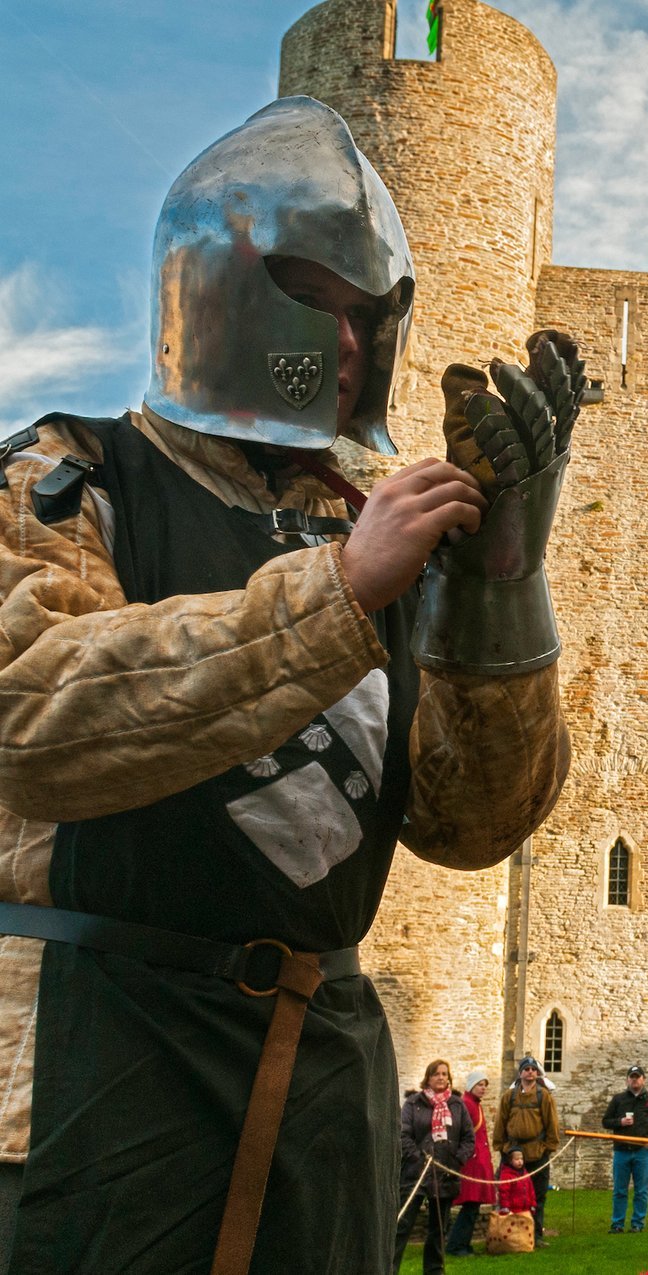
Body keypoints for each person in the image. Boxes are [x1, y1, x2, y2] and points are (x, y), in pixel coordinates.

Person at [0, 98, 571, 1275]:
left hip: (321, 1094)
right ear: (215, 293)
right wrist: (340, 594)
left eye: (370, 315)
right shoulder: (74, 476)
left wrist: (496, 592)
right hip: (96, 1078)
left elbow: (470, 825)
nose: (346, 342)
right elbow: (30, 712)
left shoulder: (377, 527)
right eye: (311, 301)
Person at [394, 1060, 476, 1275]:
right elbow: (403, 1135)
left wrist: (457, 1160)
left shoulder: (457, 1105)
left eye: (444, 1074)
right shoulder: (413, 1103)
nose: (441, 1077)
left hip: (445, 1175)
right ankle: (388, 1268)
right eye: (436, 1074)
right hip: (416, 1175)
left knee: (438, 1229)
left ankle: (434, 1271)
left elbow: (468, 1138)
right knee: (401, 1226)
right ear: (428, 1077)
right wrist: (418, 1159)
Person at [498, 1055, 562, 1249]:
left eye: (533, 1069)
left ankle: (536, 1235)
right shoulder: (509, 1097)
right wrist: (502, 1147)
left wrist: (548, 1148)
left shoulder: (544, 1096)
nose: (530, 1072)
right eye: (526, 1069)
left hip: (537, 1152)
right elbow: (501, 1122)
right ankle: (511, 1235)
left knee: (537, 1196)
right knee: (511, 1196)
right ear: (520, 1073)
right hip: (514, 1152)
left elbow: (552, 1124)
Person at [603, 1064, 648, 1233]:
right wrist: (620, 1122)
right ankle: (617, 1224)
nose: (634, 1080)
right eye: (632, 1077)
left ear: (643, 1079)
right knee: (619, 1190)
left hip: (642, 1152)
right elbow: (606, 1121)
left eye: (637, 1077)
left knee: (641, 1190)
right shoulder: (618, 1099)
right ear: (627, 1080)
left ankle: (638, 1223)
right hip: (621, 1151)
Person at [444, 1069, 495, 1257]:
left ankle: (463, 1243)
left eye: (485, 1085)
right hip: (471, 1164)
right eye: (480, 1085)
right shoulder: (466, 1105)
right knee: (470, 1206)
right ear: (471, 1086)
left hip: (477, 1162)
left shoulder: (473, 1104)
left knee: (473, 1207)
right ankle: (456, 1245)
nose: (483, 1088)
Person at [496, 1146, 537, 1215]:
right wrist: (505, 1207)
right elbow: (504, 1192)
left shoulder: (525, 1174)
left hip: (526, 1210)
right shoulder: (507, 1175)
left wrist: (533, 1204)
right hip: (512, 1211)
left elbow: (531, 1190)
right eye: (517, 1159)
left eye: (521, 1159)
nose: (520, 1161)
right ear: (510, 1161)